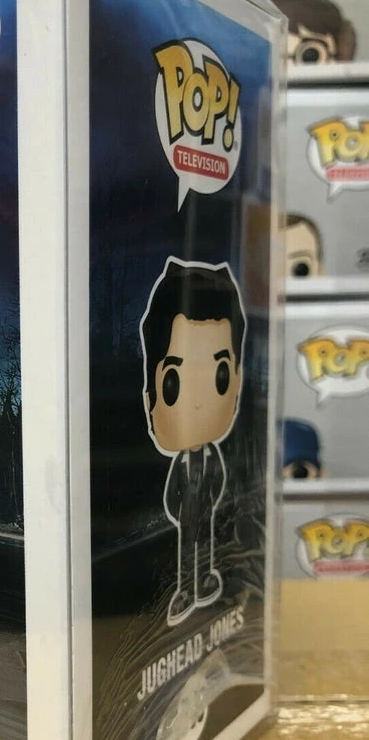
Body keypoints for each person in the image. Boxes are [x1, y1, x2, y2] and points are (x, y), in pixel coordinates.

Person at [140, 258, 246, 626]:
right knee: (188, 553)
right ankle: (187, 589)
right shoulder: (181, 463)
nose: (198, 403)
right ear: (150, 395)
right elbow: (173, 493)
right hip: (187, 517)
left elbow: (218, 480)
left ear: (236, 381)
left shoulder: (213, 455)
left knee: (207, 547)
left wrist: (209, 502)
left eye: (220, 376)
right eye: (173, 382)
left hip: (204, 514)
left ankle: (205, 581)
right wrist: (180, 511)